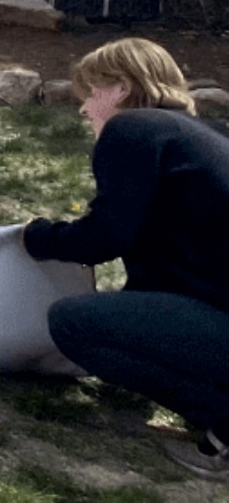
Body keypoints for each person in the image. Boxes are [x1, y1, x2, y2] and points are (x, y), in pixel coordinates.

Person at [23, 37, 229, 479]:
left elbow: (104, 237)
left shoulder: (132, 129)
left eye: (90, 94)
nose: (83, 110)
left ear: (118, 88)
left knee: (76, 322)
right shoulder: (208, 135)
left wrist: (38, 236)